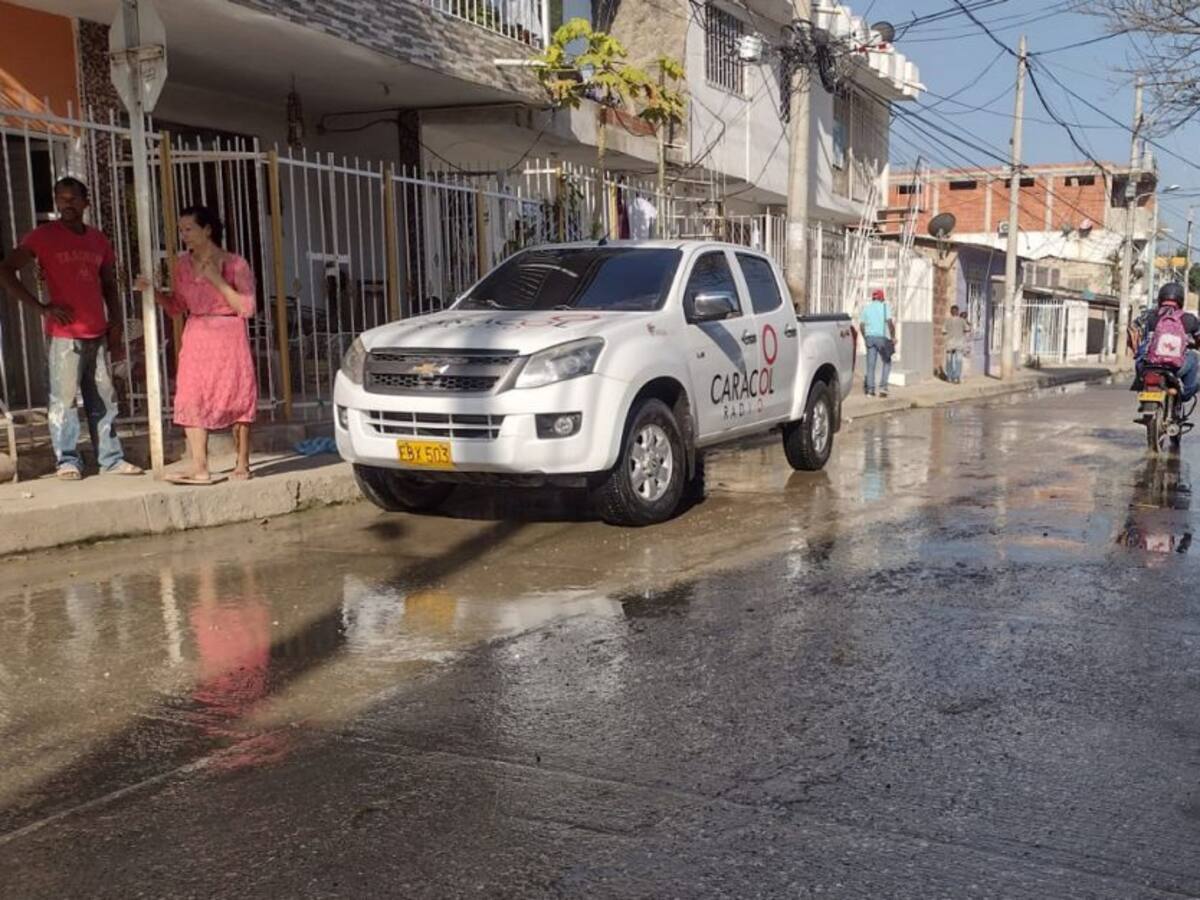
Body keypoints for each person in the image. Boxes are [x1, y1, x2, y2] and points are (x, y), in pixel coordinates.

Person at [0, 177, 142, 480]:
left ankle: (111, 458)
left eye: (73, 199)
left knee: (104, 398)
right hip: (65, 335)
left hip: (98, 331)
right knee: (63, 400)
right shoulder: (43, 236)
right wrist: (41, 307)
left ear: (85, 202)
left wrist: (115, 321)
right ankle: (67, 460)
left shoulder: (98, 239)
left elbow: (108, 284)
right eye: (61, 198)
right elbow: (6, 269)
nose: (67, 204)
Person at [136, 206, 257, 484]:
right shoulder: (182, 266)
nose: (184, 235)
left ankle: (242, 463)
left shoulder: (235, 263)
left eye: (189, 229)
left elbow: (247, 307)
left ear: (208, 230)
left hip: (228, 333)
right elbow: (178, 306)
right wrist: (153, 292)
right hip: (197, 333)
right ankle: (200, 467)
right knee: (190, 396)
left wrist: (216, 279)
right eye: (181, 230)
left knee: (236, 395)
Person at [1134, 281, 1200, 400]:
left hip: (1148, 366)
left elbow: (1133, 331)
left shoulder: (1147, 316)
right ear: (1181, 300)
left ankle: (1139, 384)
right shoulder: (1189, 319)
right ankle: (1184, 394)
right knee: (1194, 357)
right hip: (1175, 367)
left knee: (1141, 354)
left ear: (1160, 298)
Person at [860, 287, 896, 398]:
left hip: (869, 338)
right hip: (882, 338)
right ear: (881, 298)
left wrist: (865, 337)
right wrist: (893, 337)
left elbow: (861, 325)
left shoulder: (866, 308)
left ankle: (870, 391)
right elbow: (890, 323)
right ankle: (883, 387)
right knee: (887, 362)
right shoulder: (885, 307)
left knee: (870, 365)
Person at [943, 304, 970, 384]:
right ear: (958, 312)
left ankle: (949, 377)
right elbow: (967, 330)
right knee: (958, 361)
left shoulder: (947, 321)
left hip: (950, 344)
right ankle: (957, 377)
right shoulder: (962, 321)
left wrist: (948, 336)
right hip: (959, 343)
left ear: (951, 312)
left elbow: (943, 331)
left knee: (949, 361)